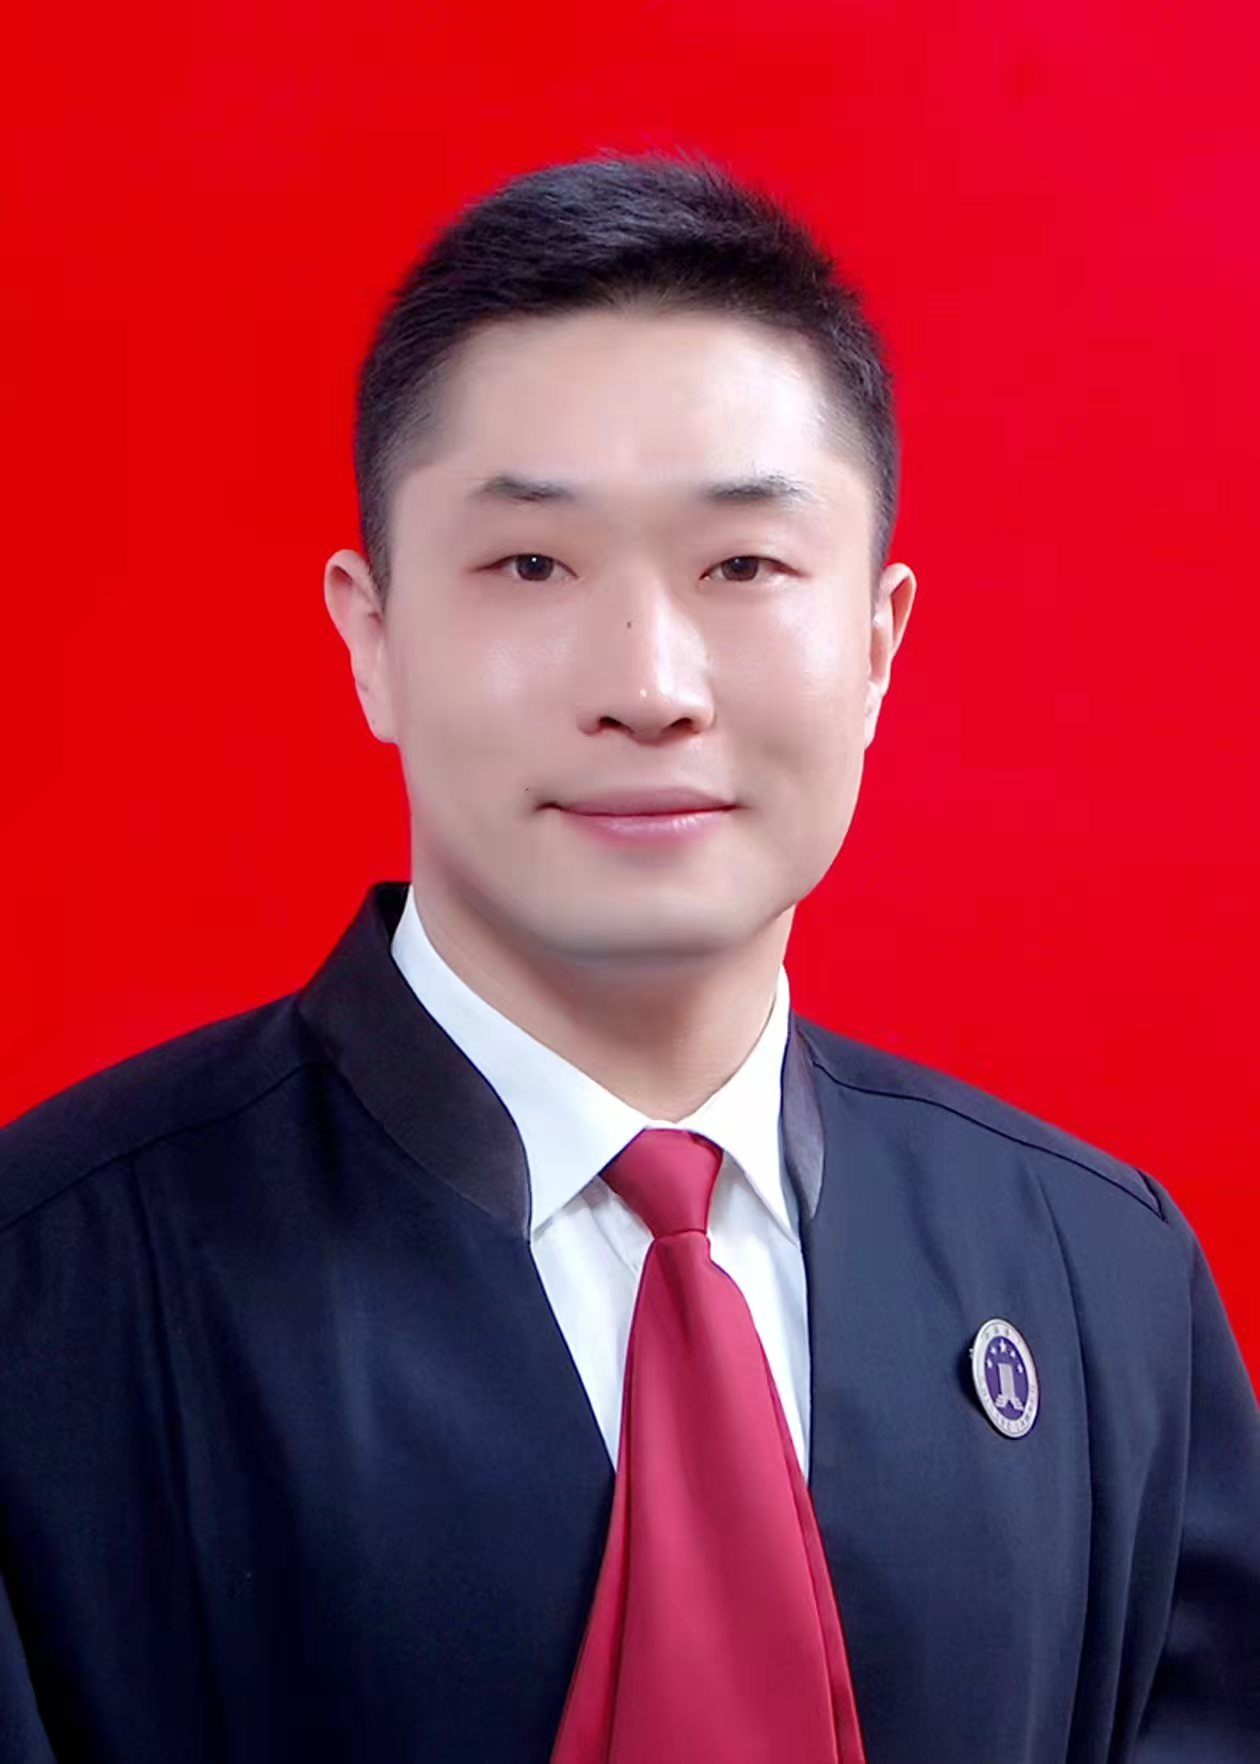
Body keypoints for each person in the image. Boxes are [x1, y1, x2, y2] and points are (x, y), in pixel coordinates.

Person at [0, 150, 1256, 1764]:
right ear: (371, 634)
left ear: (879, 644)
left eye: (743, 566)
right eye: (532, 565)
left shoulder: (1104, 1285)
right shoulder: (45, 1296)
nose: (650, 685)